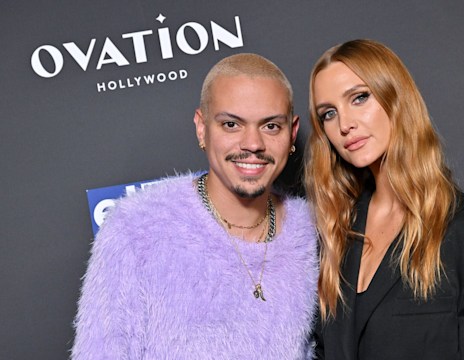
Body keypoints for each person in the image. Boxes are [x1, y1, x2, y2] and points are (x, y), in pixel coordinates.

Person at [71, 53, 318, 359]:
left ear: (292, 133)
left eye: (270, 126)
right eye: (231, 124)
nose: (253, 143)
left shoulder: (312, 234)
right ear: (202, 128)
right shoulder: (136, 229)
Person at [305, 39, 464, 359]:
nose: (344, 124)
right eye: (328, 113)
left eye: (359, 98)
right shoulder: (332, 238)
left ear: (395, 97)